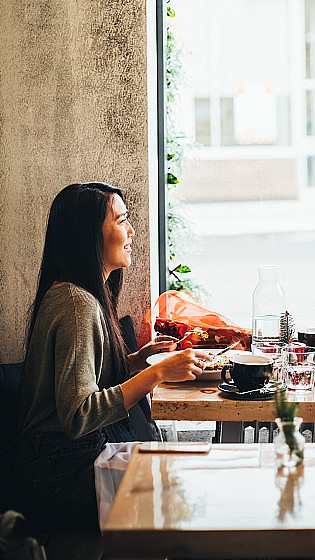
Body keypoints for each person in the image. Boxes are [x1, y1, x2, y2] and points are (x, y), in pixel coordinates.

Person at [16, 182, 209, 531]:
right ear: (89, 236)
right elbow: (78, 415)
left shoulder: (82, 294)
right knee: (179, 487)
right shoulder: (76, 305)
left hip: (66, 458)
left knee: (179, 472)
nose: (132, 231)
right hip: (57, 469)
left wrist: (137, 361)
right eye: (121, 221)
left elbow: (85, 377)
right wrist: (157, 374)